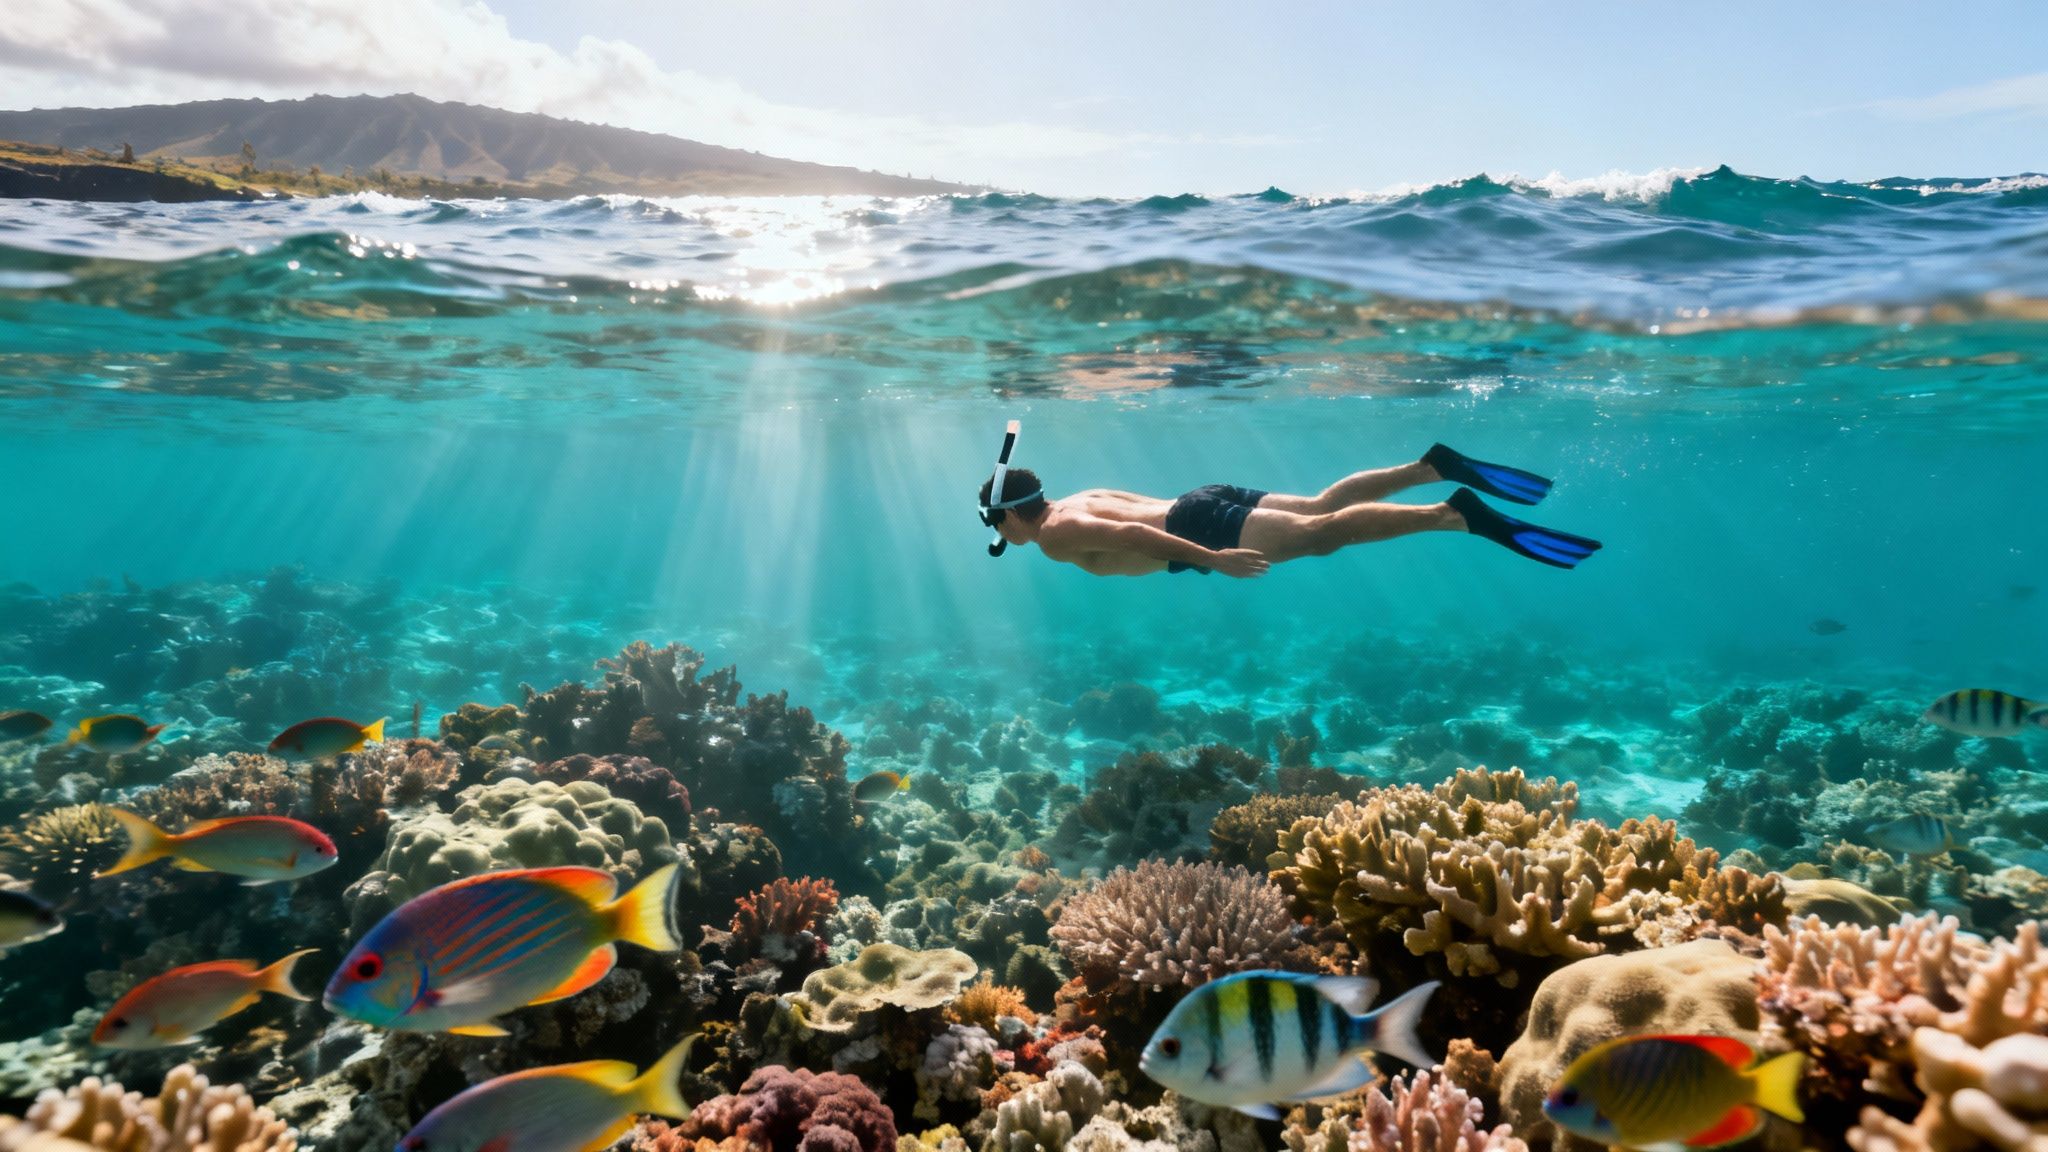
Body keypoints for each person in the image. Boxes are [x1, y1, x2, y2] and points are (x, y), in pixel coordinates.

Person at [976, 442, 1601, 578]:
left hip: (1197, 525)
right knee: (1322, 503)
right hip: (1203, 497)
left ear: (1010, 515)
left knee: (1322, 533)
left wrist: (1213, 558)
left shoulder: (1056, 531)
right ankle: (1431, 466)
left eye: (992, 523)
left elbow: (1141, 536)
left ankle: (1454, 513)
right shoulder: (1077, 495)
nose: (999, 535)